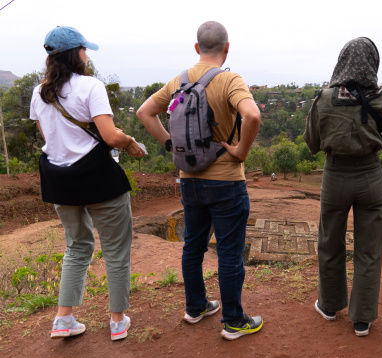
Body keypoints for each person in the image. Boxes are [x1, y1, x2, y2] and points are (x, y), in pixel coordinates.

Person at [136, 21, 262, 341]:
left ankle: (196, 307)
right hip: (226, 182)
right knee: (229, 251)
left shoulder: (178, 82)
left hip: (189, 181)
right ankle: (234, 320)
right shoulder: (229, 79)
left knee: (193, 246)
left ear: (196, 48)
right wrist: (240, 151)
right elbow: (252, 115)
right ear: (227, 47)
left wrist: (169, 145)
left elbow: (144, 113)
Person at [29, 26, 146, 341]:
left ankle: (63, 320)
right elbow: (109, 136)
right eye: (84, 49)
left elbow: (49, 138)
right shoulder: (91, 86)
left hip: (61, 183)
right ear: (75, 54)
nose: (87, 54)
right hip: (99, 181)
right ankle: (117, 321)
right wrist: (131, 142)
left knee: (77, 247)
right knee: (115, 250)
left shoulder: (40, 93)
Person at [304, 37, 382, 337]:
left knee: (329, 241)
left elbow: (312, 142)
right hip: (371, 176)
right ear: (373, 61)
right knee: (369, 250)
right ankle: (362, 319)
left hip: (335, 176)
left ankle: (330, 306)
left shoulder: (325, 97)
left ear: (343, 59)